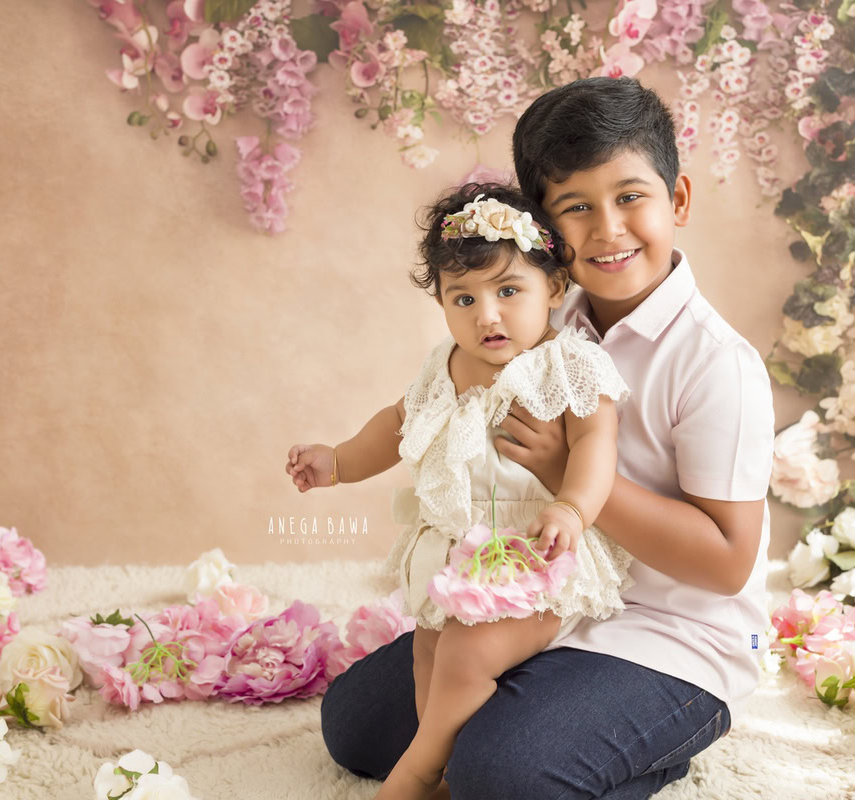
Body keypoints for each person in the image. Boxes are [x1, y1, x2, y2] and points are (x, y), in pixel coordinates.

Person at [320, 76, 775, 800]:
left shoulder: (717, 364)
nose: (607, 230)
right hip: (544, 606)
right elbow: (430, 405)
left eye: (630, 197)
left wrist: (573, 478)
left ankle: (648, 747)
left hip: (674, 635)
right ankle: (530, 733)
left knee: (500, 774)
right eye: (575, 208)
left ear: (677, 200)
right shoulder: (538, 322)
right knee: (355, 725)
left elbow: (725, 562)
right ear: (542, 232)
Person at [287, 183, 634, 799]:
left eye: (508, 291)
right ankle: (448, 771)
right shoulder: (445, 363)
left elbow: (595, 444)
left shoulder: (567, 364)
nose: (487, 316)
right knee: (431, 652)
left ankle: (418, 772)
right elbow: (397, 423)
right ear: (442, 305)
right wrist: (336, 461)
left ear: (553, 289)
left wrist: (572, 507)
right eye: (463, 298)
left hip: (537, 558)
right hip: (459, 558)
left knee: (467, 656)